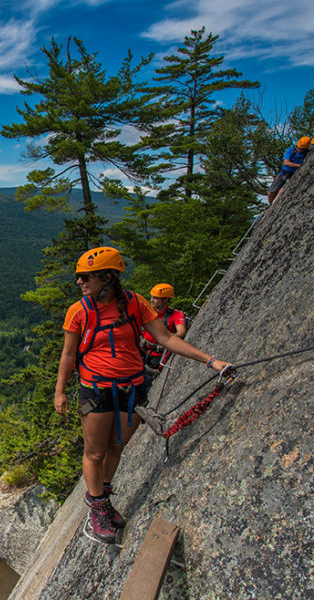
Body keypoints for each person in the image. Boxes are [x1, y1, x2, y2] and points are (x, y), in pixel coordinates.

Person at [54, 247, 232, 543]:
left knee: (116, 448)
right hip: (96, 389)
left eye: (86, 277)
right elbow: (69, 353)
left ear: (108, 278)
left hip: (132, 387)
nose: (79, 283)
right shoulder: (79, 312)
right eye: (79, 277)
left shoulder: (135, 304)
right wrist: (60, 392)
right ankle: (98, 506)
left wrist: (211, 361)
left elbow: (165, 338)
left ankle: (103, 496)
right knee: (95, 452)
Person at [141, 283, 186, 389]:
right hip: (142, 350)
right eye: (152, 297)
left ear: (165, 300)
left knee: (147, 382)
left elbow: (181, 331)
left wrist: (168, 341)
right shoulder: (147, 312)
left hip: (157, 356)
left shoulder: (176, 315)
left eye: (155, 298)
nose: (151, 301)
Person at [267, 136, 311, 205]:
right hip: (283, 174)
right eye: (299, 148)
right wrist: (298, 165)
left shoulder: (306, 154)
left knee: (281, 193)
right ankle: (270, 205)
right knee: (270, 193)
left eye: (302, 149)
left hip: (292, 175)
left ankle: (273, 206)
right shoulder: (291, 151)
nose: (300, 150)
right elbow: (286, 162)